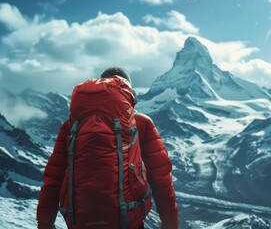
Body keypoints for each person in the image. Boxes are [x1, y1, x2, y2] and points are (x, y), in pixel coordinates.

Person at [36, 67, 178, 229]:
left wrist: (45, 224)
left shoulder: (71, 127)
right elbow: (161, 180)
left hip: (79, 219)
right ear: (127, 94)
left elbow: (53, 179)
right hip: (128, 219)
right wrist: (170, 224)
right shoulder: (142, 123)